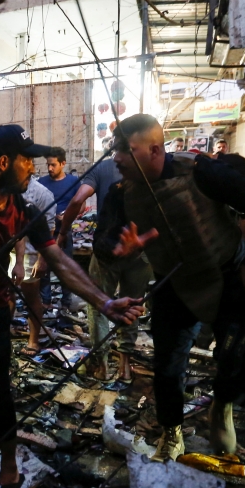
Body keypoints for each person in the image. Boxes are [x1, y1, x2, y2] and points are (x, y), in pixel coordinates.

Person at [0, 125, 142, 488]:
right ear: (5, 162)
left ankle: (9, 463)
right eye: (27, 160)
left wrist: (104, 301)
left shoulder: (26, 211)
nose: (33, 167)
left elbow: (59, 262)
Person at [103, 115, 245, 461]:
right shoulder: (121, 195)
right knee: (168, 365)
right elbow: (104, 240)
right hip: (176, 284)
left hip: (230, 275)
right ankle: (171, 432)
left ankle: (223, 405)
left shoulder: (201, 172)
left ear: (155, 149)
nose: (118, 158)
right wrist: (118, 249)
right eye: (115, 150)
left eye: (127, 150)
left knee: (235, 354)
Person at [58, 142, 151, 379]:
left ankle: (101, 364)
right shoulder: (150, 167)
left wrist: (63, 231)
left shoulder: (102, 169)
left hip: (108, 249)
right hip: (141, 249)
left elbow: (79, 199)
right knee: (132, 304)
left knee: (99, 304)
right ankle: (125, 364)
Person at [12, 176, 56, 356]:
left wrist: (42, 258)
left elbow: (49, 229)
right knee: (6, 296)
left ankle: (33, 340)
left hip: (30, 252)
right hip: (9, 252)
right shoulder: (7, 188)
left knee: (31, 297)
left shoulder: (42, 193)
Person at [37, 147, 81, 308]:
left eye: (53, 165)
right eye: (48, 164)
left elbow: (80, 206)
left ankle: (66, 303)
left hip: (65, 230)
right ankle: (46, 302)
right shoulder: (41, 183)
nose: (50, 168)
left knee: (66, 266)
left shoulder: (73, 182)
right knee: (44, 267)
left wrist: (67, 215)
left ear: (63, 163)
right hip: (45, 231)